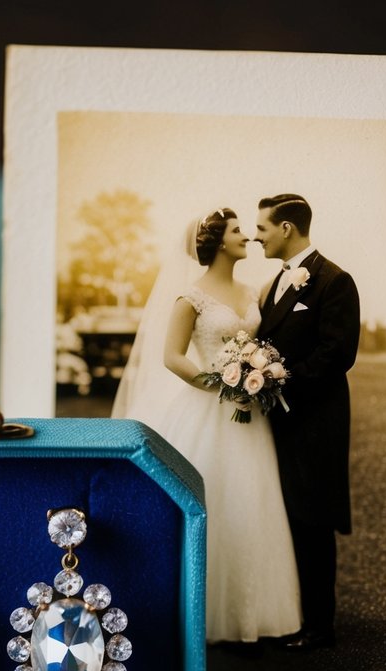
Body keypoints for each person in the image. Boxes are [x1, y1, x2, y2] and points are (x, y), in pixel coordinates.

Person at [111, 208, 301, 644]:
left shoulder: (252, 291)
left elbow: (261, 344)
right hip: (209, 408)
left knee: (252, 502)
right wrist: (220, 384)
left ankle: (252, 618)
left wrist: (258, 374)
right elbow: (173, 356)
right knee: (213, 499)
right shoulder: (189, 297)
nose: (247, 238)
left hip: (251, 414)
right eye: (237, 231)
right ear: (217, 242)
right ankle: (205, 616)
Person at [256, 194, 360, 650]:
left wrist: (281, 382)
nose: (257, 236)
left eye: (262, 227)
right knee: (286, 517)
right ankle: (292, 613)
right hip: (275, 421)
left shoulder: (333, 280)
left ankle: (320, 625)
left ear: (286, 229)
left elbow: (338, 353)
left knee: (312, 518)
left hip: (315, 420)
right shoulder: (273, 283)